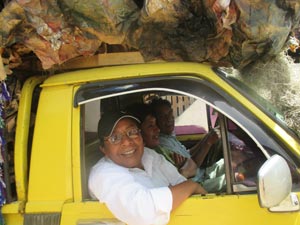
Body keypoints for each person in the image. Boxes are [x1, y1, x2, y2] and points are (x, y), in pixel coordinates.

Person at [88, 111, 206, 225]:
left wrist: (180, 190)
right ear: (103, 149)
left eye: (132, 131)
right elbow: (144, 211)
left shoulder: (148, 155)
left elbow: (178, 181)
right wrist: (190, 186)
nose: (127, 141)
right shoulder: (103, 174)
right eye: (115, 138)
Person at [150, 98, 226, 192]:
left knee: (228, 164)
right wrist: (208, 143)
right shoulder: (161, 144)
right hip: (197, 183)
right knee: (232, 179)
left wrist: (206, 138)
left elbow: (187, 154)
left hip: (202, 174)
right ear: (155, 121)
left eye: (170, 114)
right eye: (163, 116)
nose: (169, 119)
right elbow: (191, 168)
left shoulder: (168, 136)